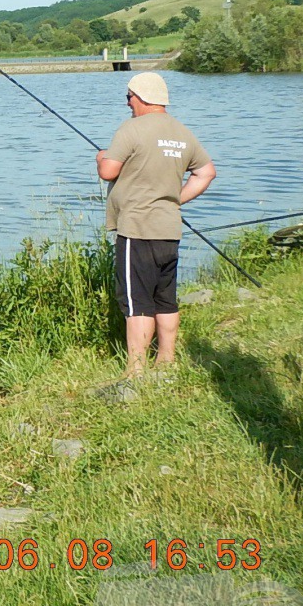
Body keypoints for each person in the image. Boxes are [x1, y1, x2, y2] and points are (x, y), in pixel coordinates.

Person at [96, 72, 215, 378]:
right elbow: (206, 172)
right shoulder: (182, 132)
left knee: (137, 302)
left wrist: (100, 159)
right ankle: (167, 360)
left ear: (142, 97)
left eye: (129, 97)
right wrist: (174, 200)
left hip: (137, 229)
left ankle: (135, 371)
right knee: (165, 298)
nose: (127, 104)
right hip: (169, 229)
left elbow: (109, 171)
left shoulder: (132, 128)